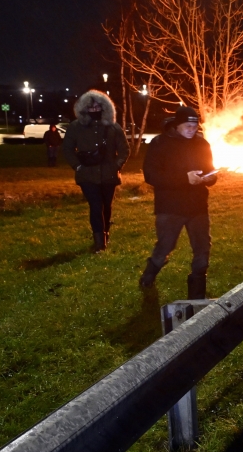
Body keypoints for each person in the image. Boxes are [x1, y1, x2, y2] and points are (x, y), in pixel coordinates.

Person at [139, 106, 218, 299]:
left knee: (202, 249)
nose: (192, 129)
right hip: (170, 207)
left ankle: (197, 294)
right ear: (177, 125)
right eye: (187, 126)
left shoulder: (202, 144)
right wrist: (184, 178)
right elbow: (151, 175)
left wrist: (210, 178)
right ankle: (148, 276)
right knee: (165, 246)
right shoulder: (160, 143)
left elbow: (209, 168)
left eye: (195, 126)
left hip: (198, 206)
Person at [62, 90, 129, 253]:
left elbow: (124, 149)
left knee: (106, 206)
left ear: (104, 107)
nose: (94, 110)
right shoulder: (76, 127)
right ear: (84, 108)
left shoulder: (113, 127)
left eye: (98, 107)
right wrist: (77, 166)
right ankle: (99, 242)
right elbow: (67, 149)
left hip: (109, 175)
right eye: (91, 107)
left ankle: (106, 233)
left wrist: (116, 165)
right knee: (96, 205)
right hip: (87, 175)